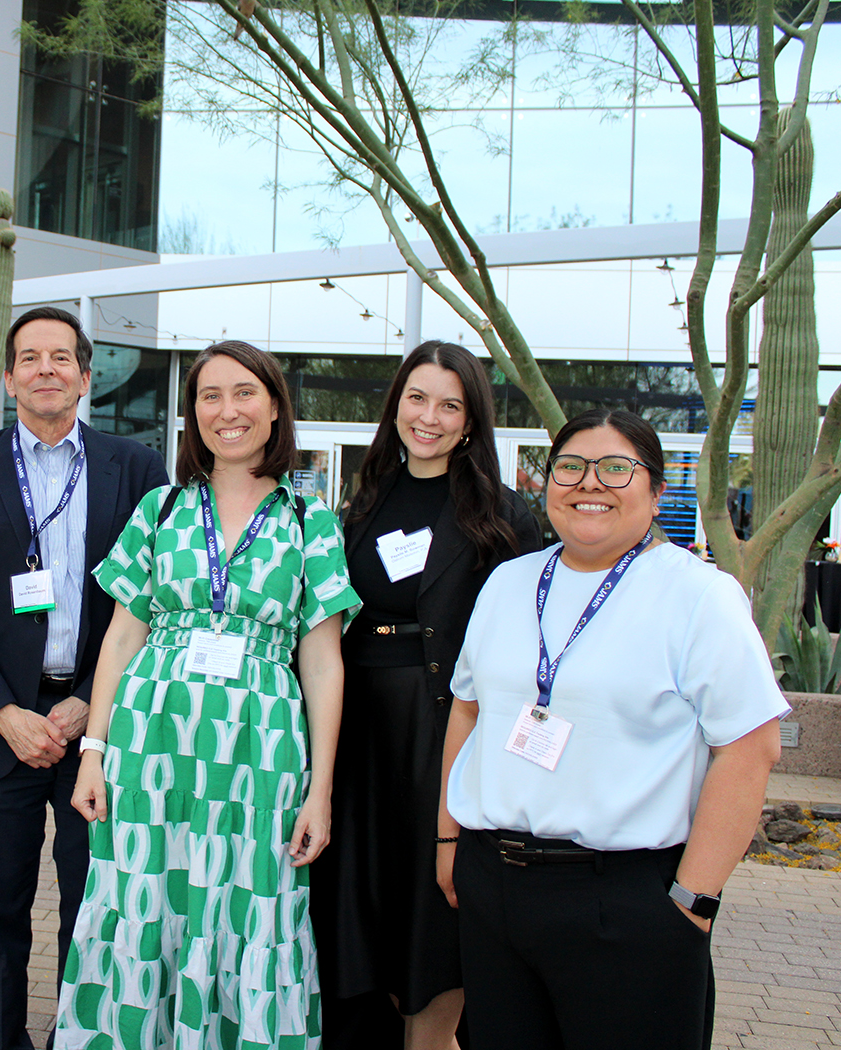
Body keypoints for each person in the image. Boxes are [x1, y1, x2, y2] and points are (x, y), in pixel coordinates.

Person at [437, 408, 789, 1050]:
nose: (589, 483)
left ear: (656, 492)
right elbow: (468, 709)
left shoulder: (698, 596)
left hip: (624, 900)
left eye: (616, 468)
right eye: (570, 467)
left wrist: (693, 902)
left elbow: (750, 748)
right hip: (494, 886)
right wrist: (447, 841)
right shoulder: (508, 583)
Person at [56, 340, 361, 1050]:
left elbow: (323, 666)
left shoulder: (310, 520)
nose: (229, 411)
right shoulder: (159, 509)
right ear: (192, 413)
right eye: (210, 396)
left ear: (276, 406)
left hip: (261, 755)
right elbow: (121, 641)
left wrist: (319, 791)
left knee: (252, 908)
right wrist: (93, 753)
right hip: (150, 747)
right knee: (142, 901)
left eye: (245, 392)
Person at [0, 306, 168, 1050]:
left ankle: (75, 1037)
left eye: (61, 357)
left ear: (86, 377)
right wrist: (5, 713)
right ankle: (1, 1038)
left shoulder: (138, 469)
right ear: (7, 378)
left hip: (101, 727)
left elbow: (154, 602)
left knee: (91, 902)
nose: (46, 370)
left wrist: (89, 703)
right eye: (29, 358)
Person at [312, 341, 540, 1050]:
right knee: (361, 905)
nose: (429, 418)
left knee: (432, 909)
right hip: (358, 732)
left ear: (471, 420)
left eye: (449, 405)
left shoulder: (503, 516)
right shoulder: (362, 500)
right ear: (396, 405)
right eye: (417, 398)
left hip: (441, 731)